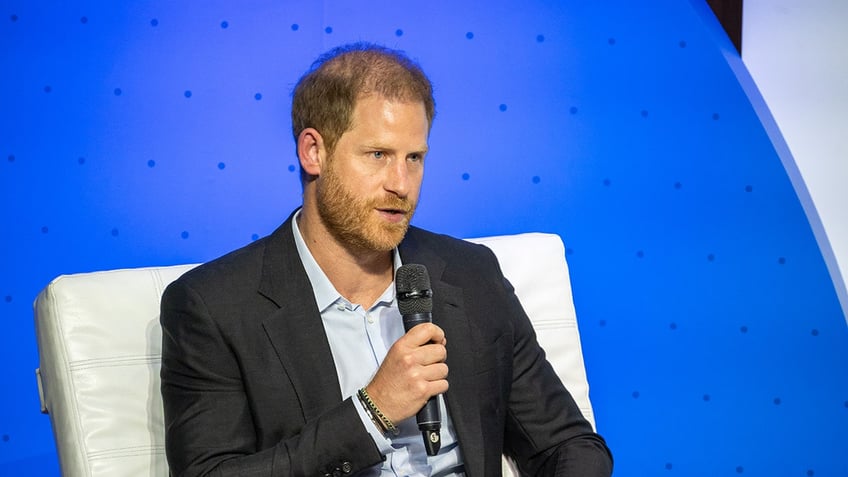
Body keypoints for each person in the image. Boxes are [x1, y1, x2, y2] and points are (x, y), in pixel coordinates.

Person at [160, 42, 613, 477]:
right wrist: (372, 411)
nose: (402, 183)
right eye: (378, 155)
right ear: (313, 151)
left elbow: (568, 446)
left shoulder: (470, 274)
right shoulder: (213, 306)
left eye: (414, 158)